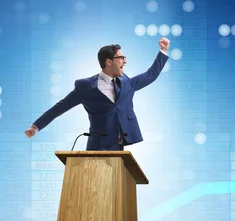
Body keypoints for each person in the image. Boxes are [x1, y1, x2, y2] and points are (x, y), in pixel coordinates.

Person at [24, 38, 170, 151]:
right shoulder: (85, 87)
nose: (125, 61)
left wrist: (163, 51)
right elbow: (60, 107)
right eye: (121, 57)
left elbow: (151, 75)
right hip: (96, 147)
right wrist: (36, 126)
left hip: (118, 147)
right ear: (108, 61)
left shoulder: (127, 83)